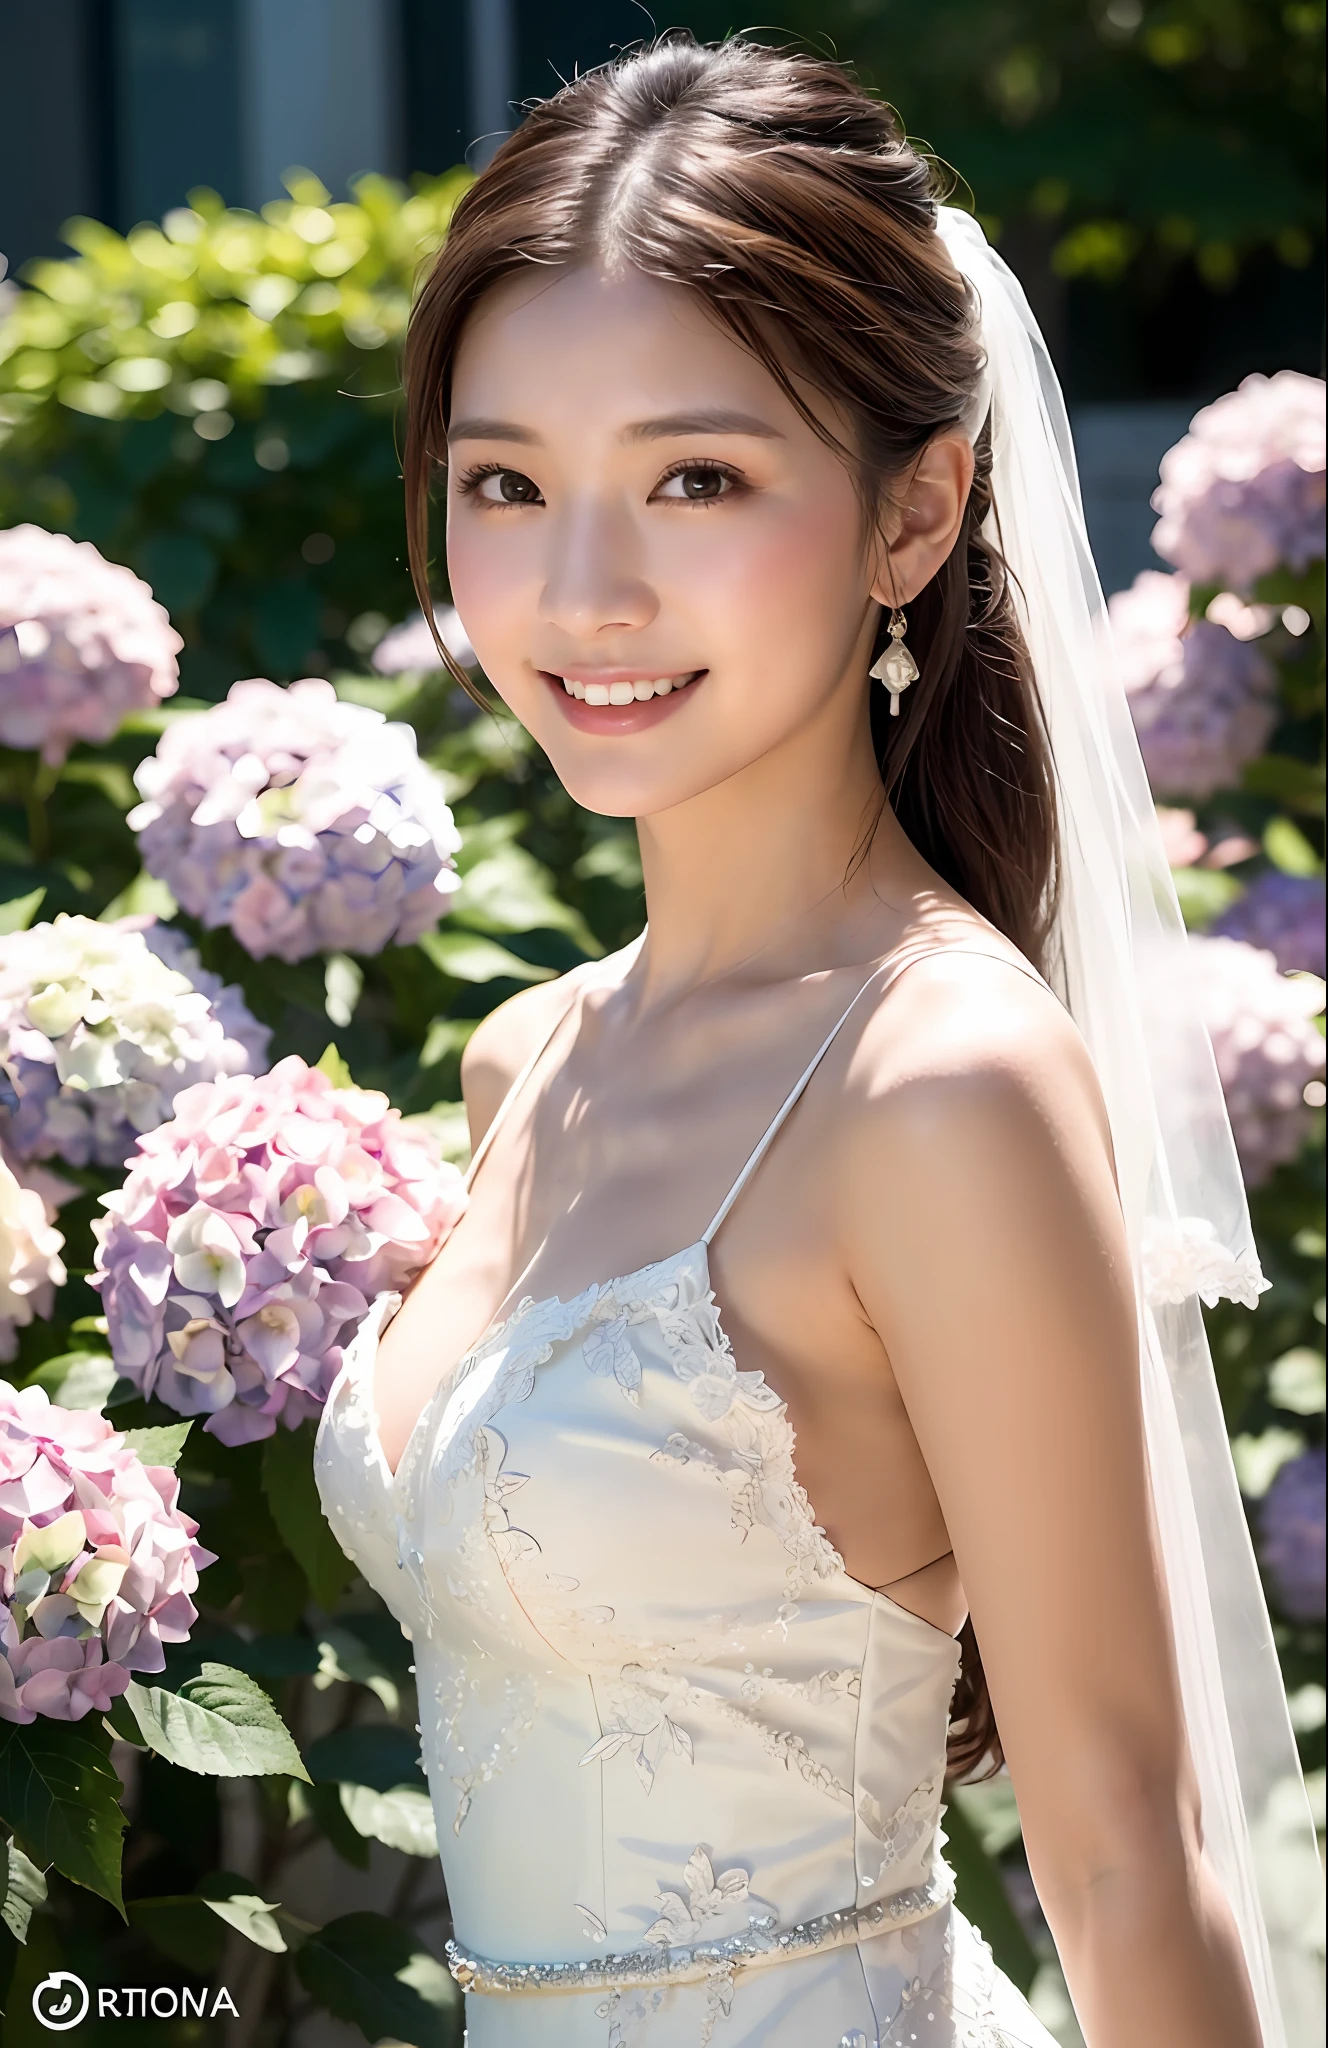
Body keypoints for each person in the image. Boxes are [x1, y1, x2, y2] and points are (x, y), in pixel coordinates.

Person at [315, 35, 1318, 2047]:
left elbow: (1127, 1852)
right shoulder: (527, 1061)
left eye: (696, 478)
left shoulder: (930, 1081)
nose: (585, 590)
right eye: (508, 483)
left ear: (914, 511)